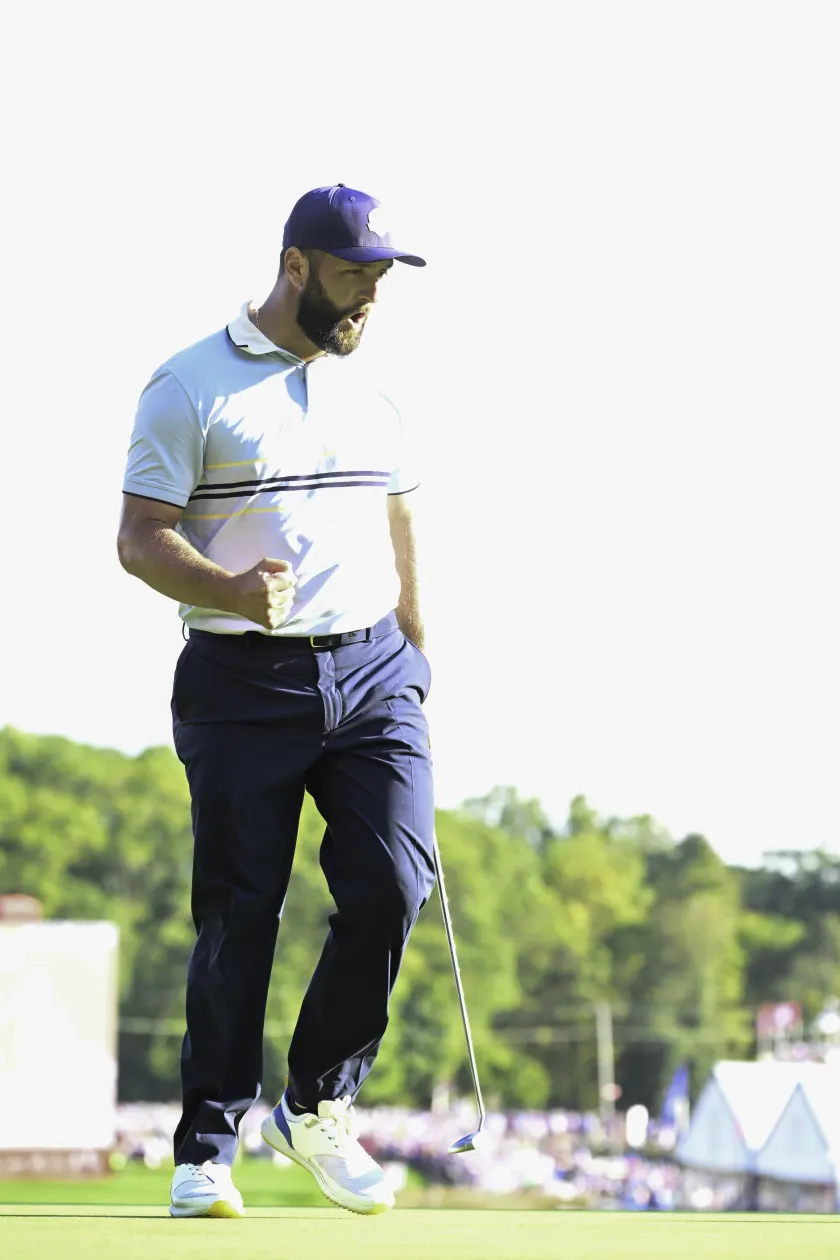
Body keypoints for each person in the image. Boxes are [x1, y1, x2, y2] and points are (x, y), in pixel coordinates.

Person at [117, 184, 435, 1218]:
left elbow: (398, 523)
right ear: (295, 265)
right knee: (240, 911)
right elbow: (139, 538)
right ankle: (208, 1147)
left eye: (380, 280)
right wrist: (228, 590)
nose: (368, 297)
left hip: (375, 672)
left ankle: (316, 1103)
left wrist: (416, 652)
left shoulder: (375, 391)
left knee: (394, 885)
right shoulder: (189, 385)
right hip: (241, 679)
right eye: (352, 276)